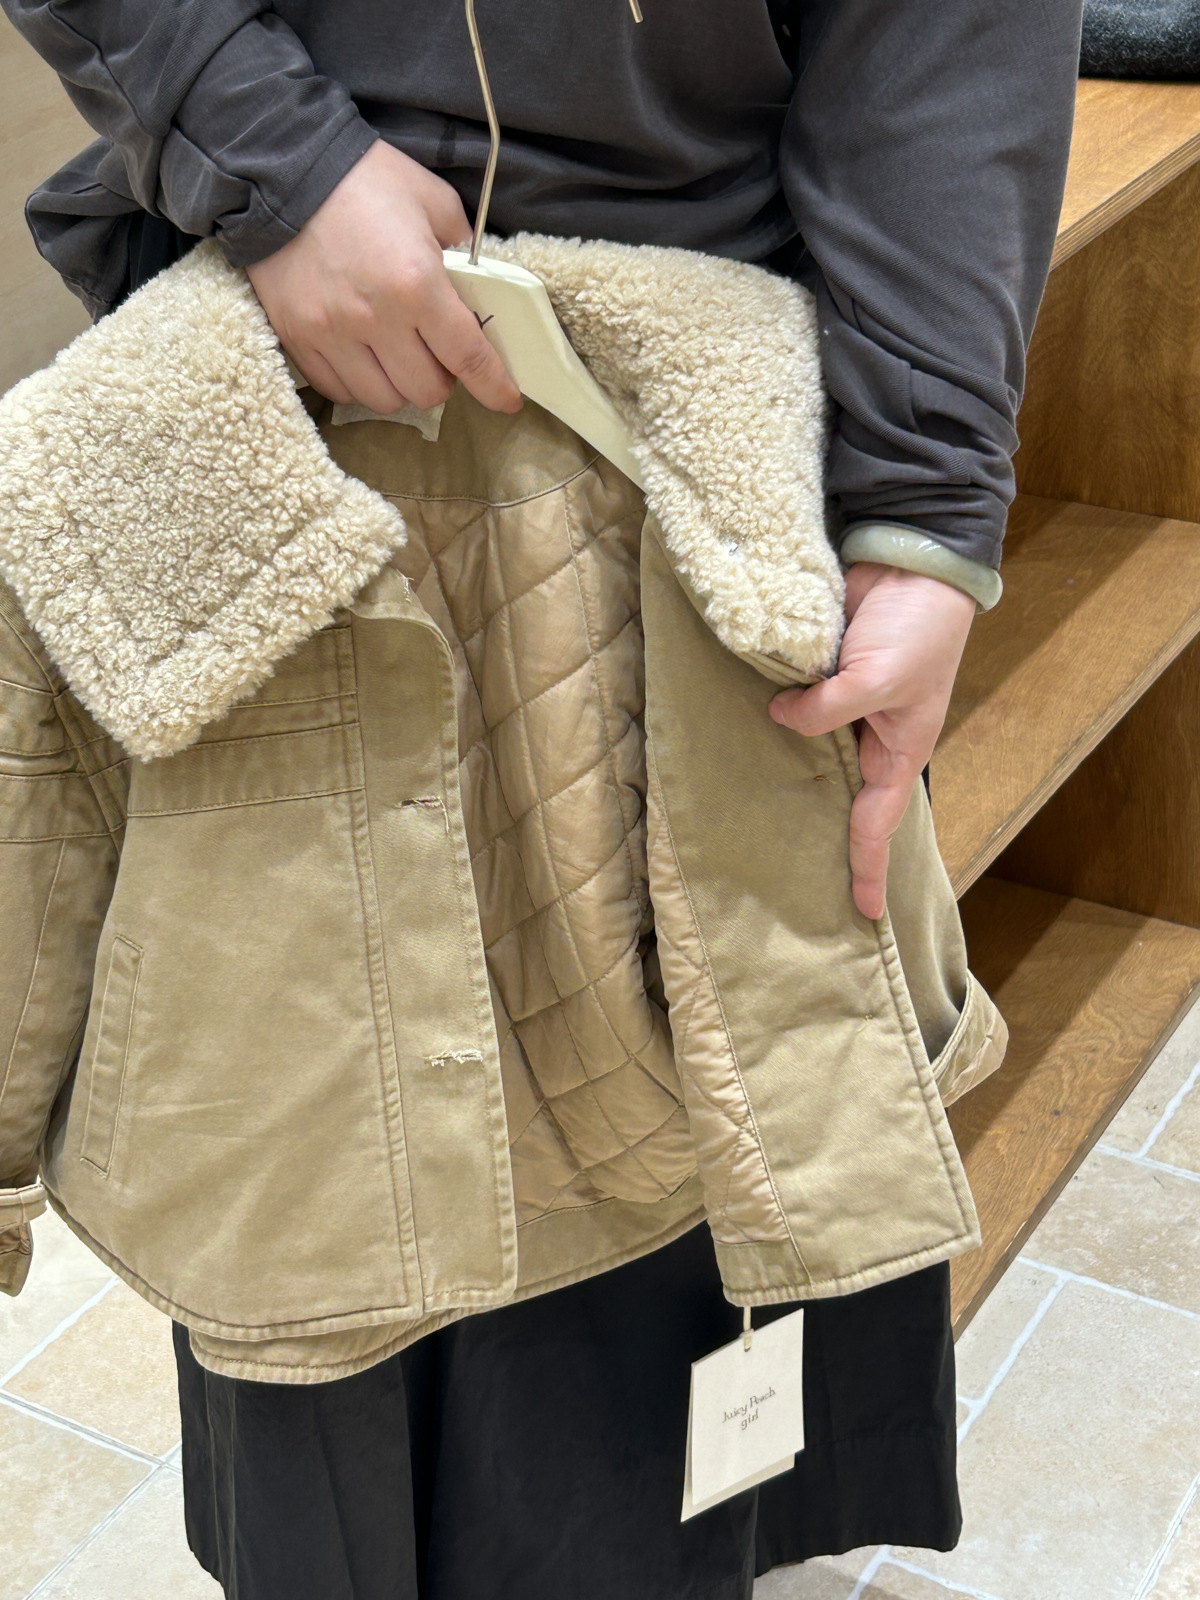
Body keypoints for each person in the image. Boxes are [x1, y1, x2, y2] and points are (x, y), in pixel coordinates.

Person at [0, 2, 1083, 1596]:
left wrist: (926, 495)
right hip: (284, 383)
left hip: (699, 464)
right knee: (317, 1228)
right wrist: (269, 146)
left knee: (666, 1297)